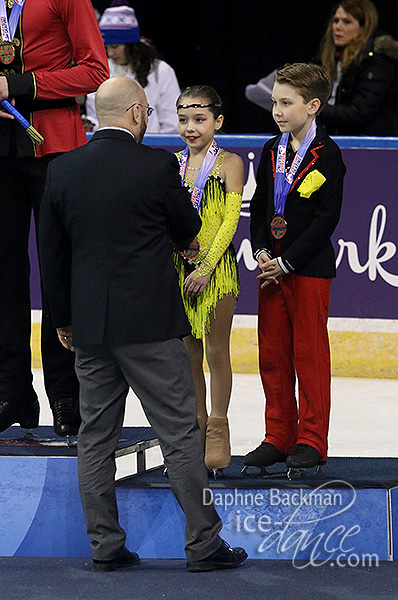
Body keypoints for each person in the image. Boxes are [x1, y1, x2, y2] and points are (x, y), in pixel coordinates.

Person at [39, 76, 247, 573]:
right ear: (136, 112)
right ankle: (203, 545)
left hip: (90, 327)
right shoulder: (157, 166)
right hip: (151, 326)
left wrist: (63, 321)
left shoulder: (62, 169)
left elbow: (51, 256)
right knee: (178, 433)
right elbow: (189, 231)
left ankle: (105, 545)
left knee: (95, 436)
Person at [0, 0, 109, 436]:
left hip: (54, 145)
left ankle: (65, 392)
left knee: (58, 271)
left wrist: (18, 87)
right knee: (4, 274)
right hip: (1, 148)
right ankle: (11, 391)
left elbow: (95, 71)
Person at [244, 63, 346, 473]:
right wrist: (264, 251)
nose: (278, 111)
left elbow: (326, 220)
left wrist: (287, 261)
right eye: (274, 102)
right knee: (272, 354)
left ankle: (311, 439)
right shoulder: (272, 149)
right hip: (272, 269)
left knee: (309, 356)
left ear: (313, 105)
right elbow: (260, 206)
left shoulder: (329, 155)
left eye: (287, 103)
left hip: (307, 269)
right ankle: (278, 435)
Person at [174, 86, 244, 476]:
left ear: (217, 121)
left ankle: (218, 427)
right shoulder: (172, 165)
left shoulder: (229, 163)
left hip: (216, 274)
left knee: (216, 352)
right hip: (180, 269)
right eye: (184, 119)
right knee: (188, 355)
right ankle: (195, 429)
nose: (190, 127)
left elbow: (230, 222)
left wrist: (206, 269)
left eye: (199, 119)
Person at [83, 2, 180, 134]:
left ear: (131, 45)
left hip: (153, 149)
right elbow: (96, 120)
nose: (111, 53)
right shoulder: (101, 72)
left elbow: (172, 123)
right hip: (112, 149)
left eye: (115, 46)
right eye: (106, 48)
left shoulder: (160, 71)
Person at [317, 0, 398, 136]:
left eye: (347, 22)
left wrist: (313, 109)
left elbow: (360, 113)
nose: (338, 27)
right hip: (338, 138)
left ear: (363, 27)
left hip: (371, 145)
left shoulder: (377, 61)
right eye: (336, 21)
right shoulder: (332, 57)